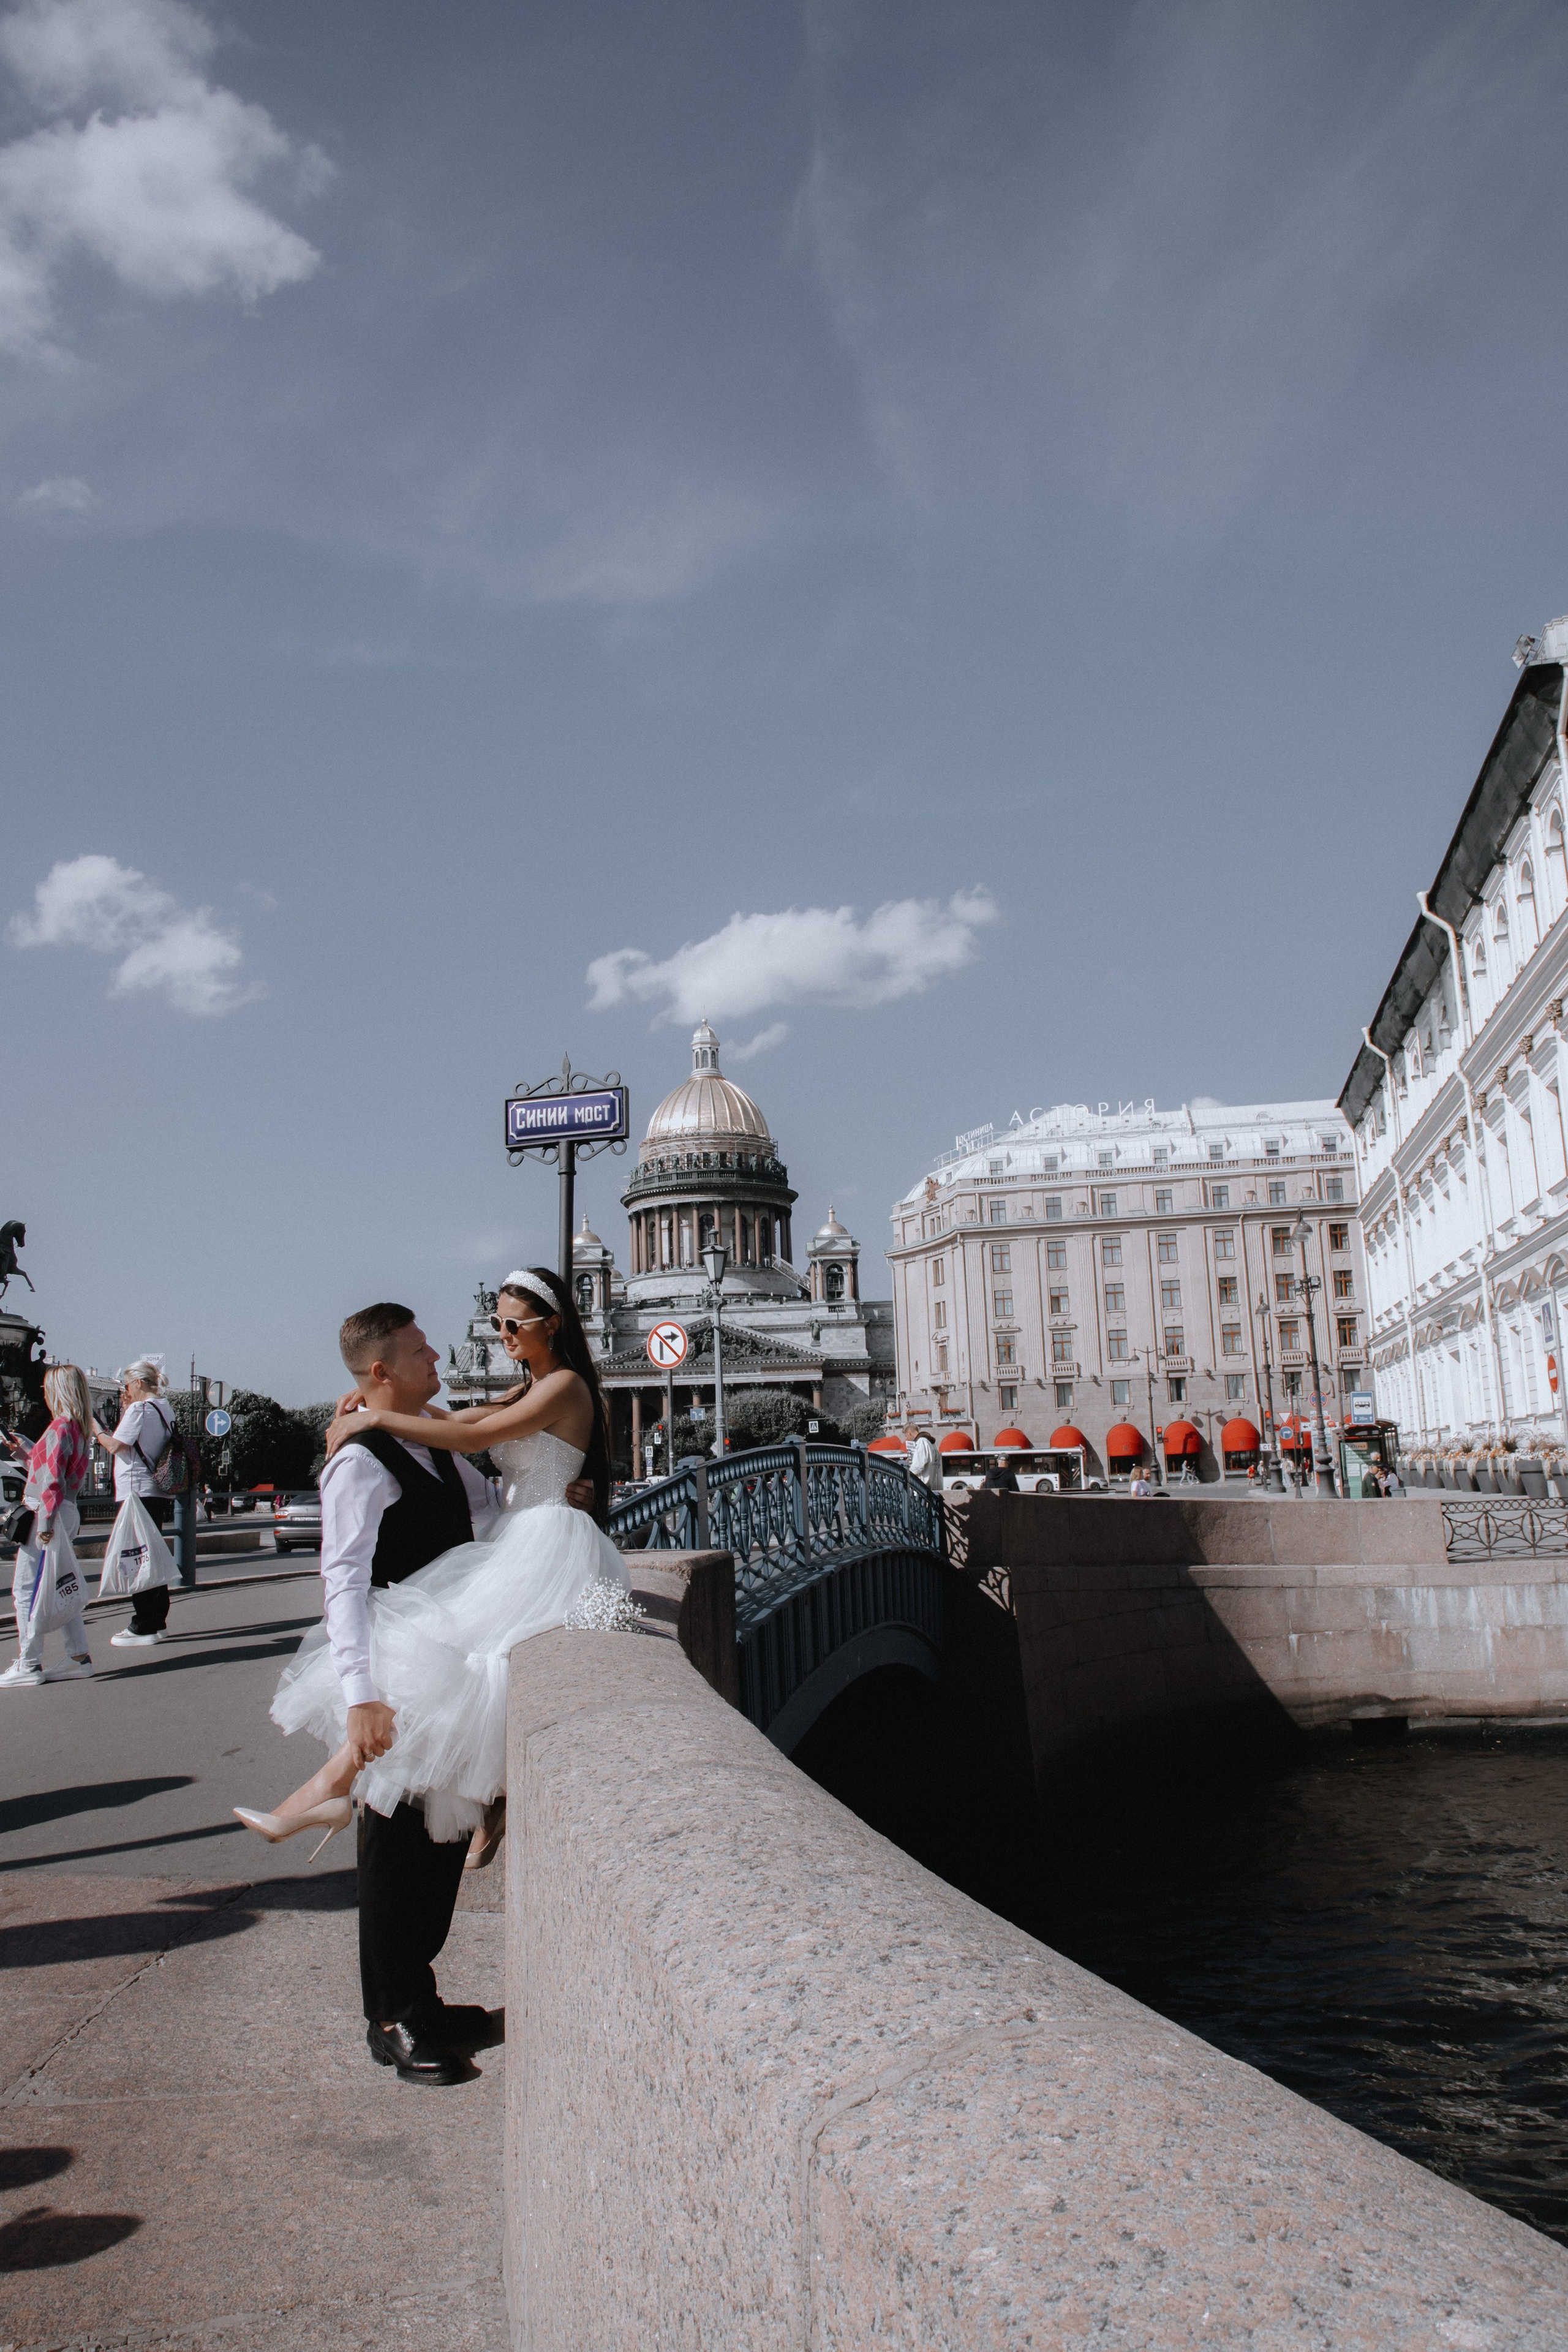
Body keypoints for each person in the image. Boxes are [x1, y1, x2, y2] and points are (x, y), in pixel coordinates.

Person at [236, 1273, 628, 2087]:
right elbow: (340, 1583)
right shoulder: (363, 1460)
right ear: (382, 1372)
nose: (442, 1353)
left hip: (454, 1634)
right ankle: (391, 2018)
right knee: (395, 1850)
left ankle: (420, 1994)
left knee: (436, 1843)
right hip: (403, 1655)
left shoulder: (433, 1438)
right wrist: (360, 1697)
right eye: (420, 1351)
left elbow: (492, 1514)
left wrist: (564, 1494)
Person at [2, 1365, 96, 1687]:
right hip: (66, 1510)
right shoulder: (78, 1429)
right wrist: (28, 1452)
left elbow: (51, 1482)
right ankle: (78, 1656)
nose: (44, 1393)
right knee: (60, 1586)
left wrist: (44, 1523)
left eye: (47, 1387)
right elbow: (59, 1476)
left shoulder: (59, 1427)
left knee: (25, 1590)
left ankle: (29, 1664)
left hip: (48, 1512)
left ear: (59, 1390)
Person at [94, 1359, 177, 1646]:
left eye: (127, 1385)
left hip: (135, 1490)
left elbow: (117, 1445)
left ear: (138, 1383)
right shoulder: (165, 1408)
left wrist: (97, 1430)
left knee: (136, 1556)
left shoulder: (140, 1409)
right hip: (155, 1490)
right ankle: (158, 1621)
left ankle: (143, 1625)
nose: (127, 1390)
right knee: (150, 1553)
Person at [908, 1429, 943, 1494]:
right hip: (928, 1485)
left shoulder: (921, 1442)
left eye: (906, 1436)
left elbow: (919, 1465)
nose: (907, 1439)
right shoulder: (931, 1444)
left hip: (920, 1486)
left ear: (910, 1433)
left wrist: (908, 1472)